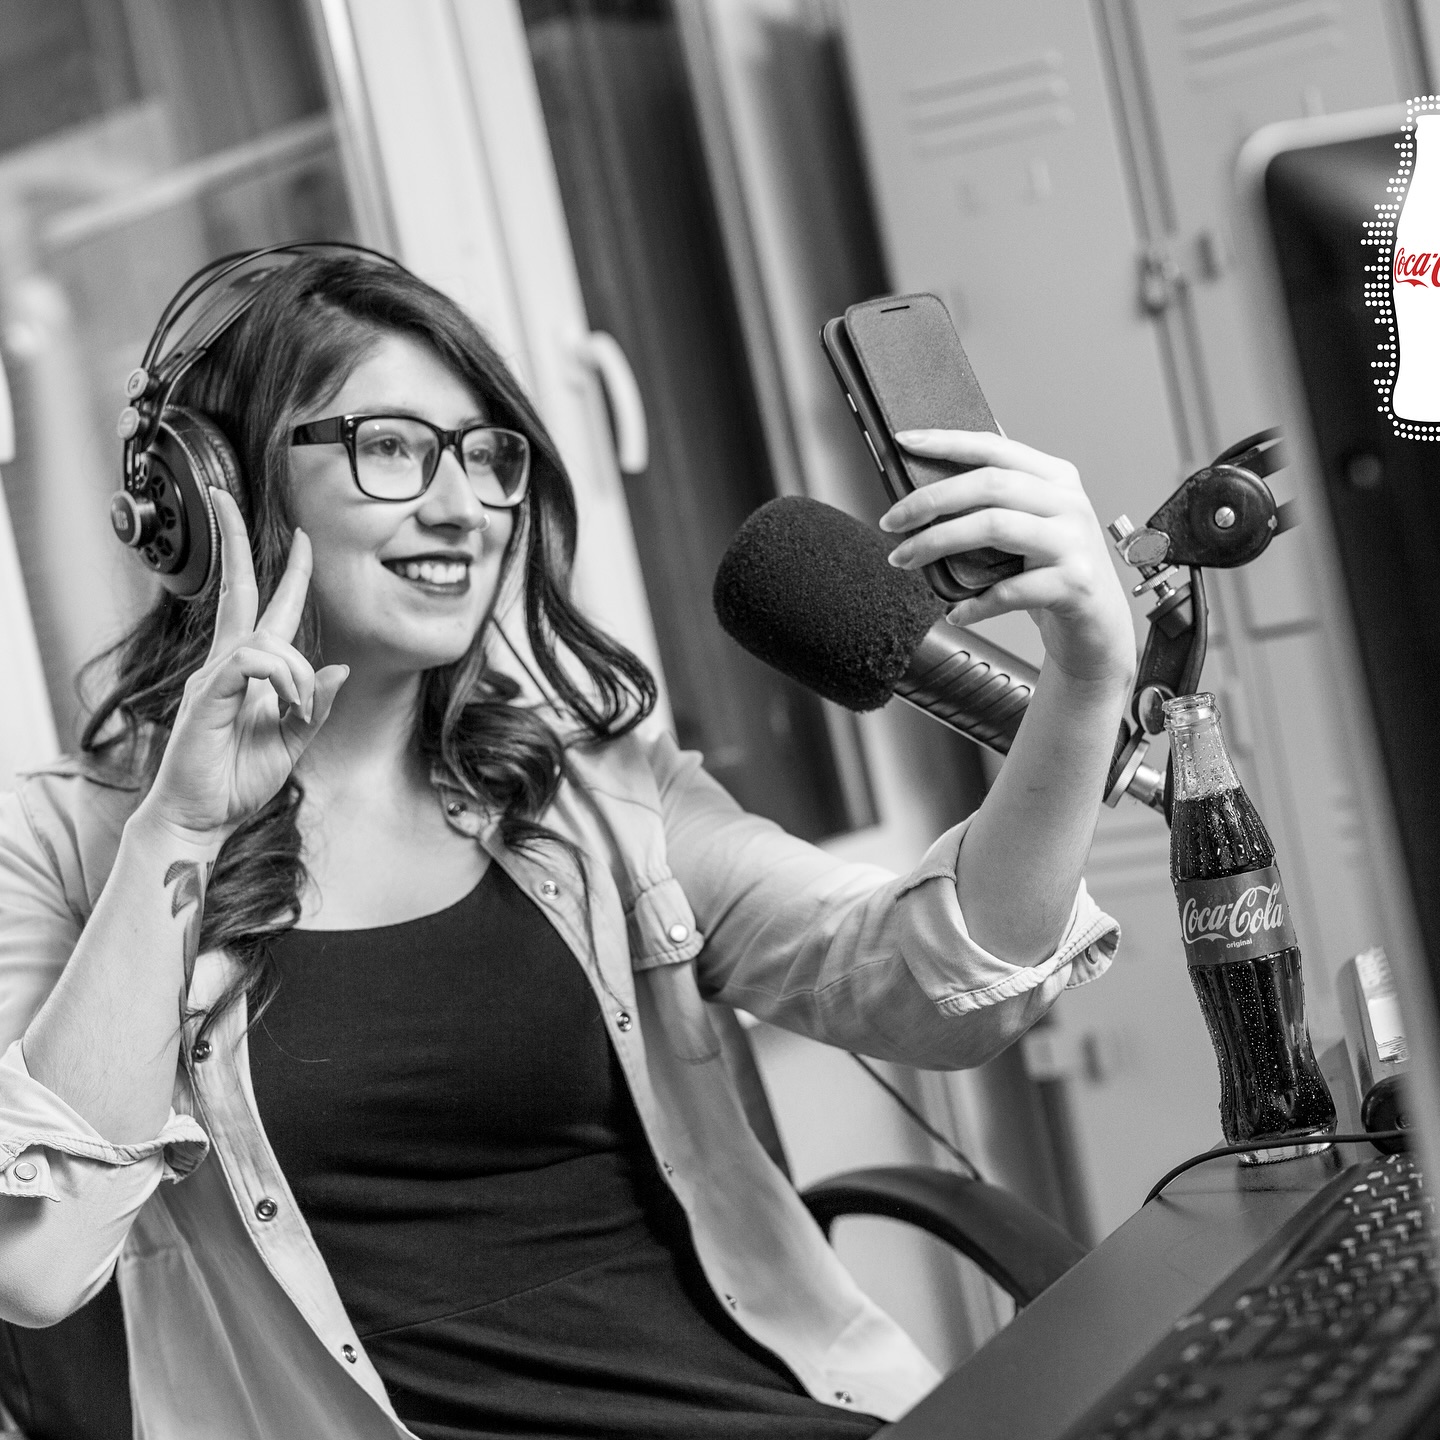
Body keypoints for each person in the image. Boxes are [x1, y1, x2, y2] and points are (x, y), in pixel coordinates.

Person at [0, 253, 1132, 1439]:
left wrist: (1085, 681)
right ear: (213, 495)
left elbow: (932, 984)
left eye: (489, 455)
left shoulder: (592, 792)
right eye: (392, 447)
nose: (463, 507)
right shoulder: (65, 849)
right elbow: (37, 1264)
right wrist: (181, 830)